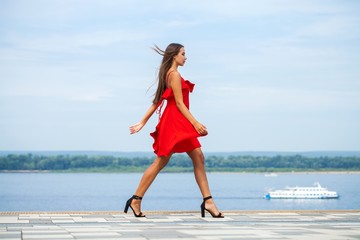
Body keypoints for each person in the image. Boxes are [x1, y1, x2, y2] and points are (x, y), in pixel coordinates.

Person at [124, 43, 224, 218]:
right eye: (183, 54)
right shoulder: (174, 75)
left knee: (198, 156)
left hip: (178, 122)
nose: (186, 57)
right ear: (174, 56)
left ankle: (208, 201)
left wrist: (143, 122)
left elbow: (157, 102)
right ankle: (136, 199)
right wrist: (196, 123)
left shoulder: (168, 74)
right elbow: (178, 103)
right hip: (175, 123)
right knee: (161, 161)